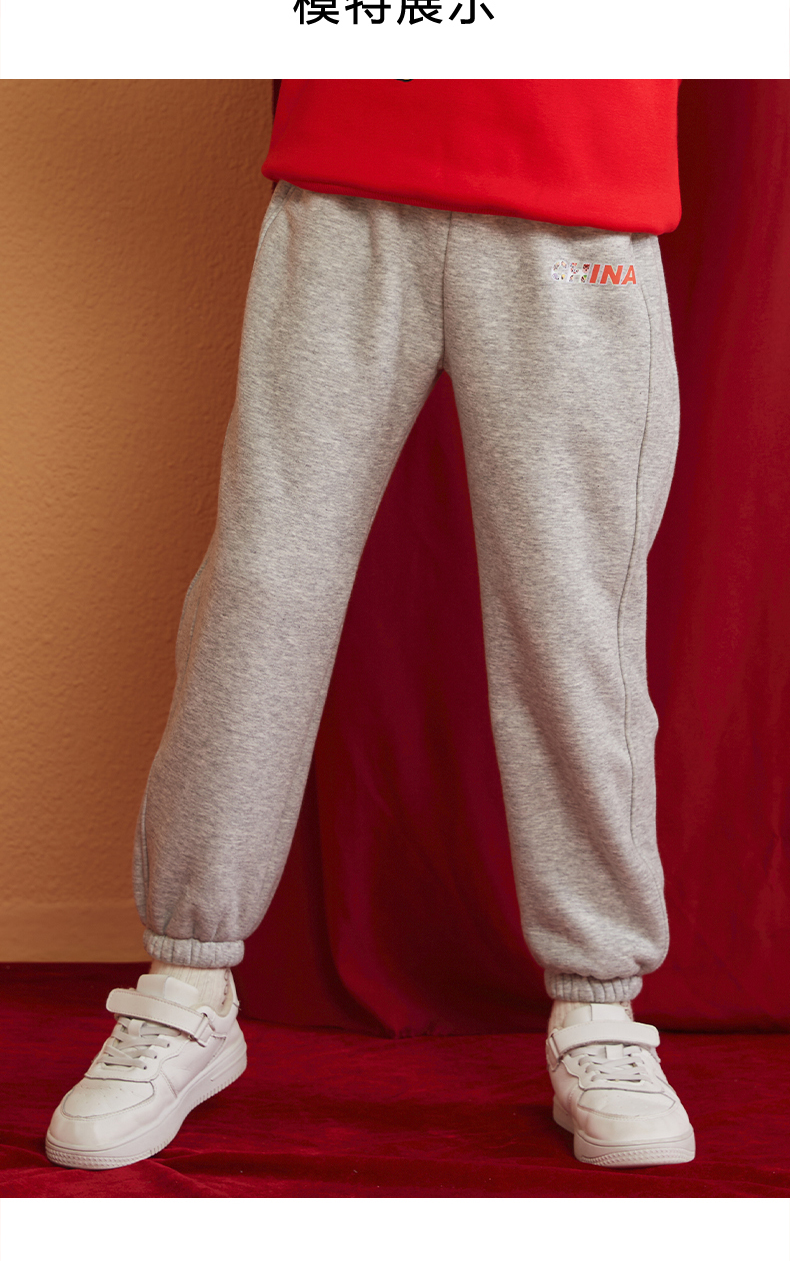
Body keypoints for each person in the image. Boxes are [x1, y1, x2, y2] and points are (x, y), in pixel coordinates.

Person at [45, 79, 695, 1171]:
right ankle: (186, 987)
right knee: (262, 588)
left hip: (580, 199)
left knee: (572, 616)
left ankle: (599, 1005)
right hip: (344, 187)